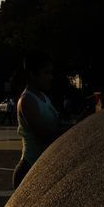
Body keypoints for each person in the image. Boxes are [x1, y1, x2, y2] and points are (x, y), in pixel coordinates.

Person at [13, 51, 64, 187]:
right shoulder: (27, 100)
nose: (51, 77)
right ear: (32, 74)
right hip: (30, 169)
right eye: (46, 73)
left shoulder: (43, 96)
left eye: (51, 73)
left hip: (42, 167)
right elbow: (43, 136)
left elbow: (54, 127)